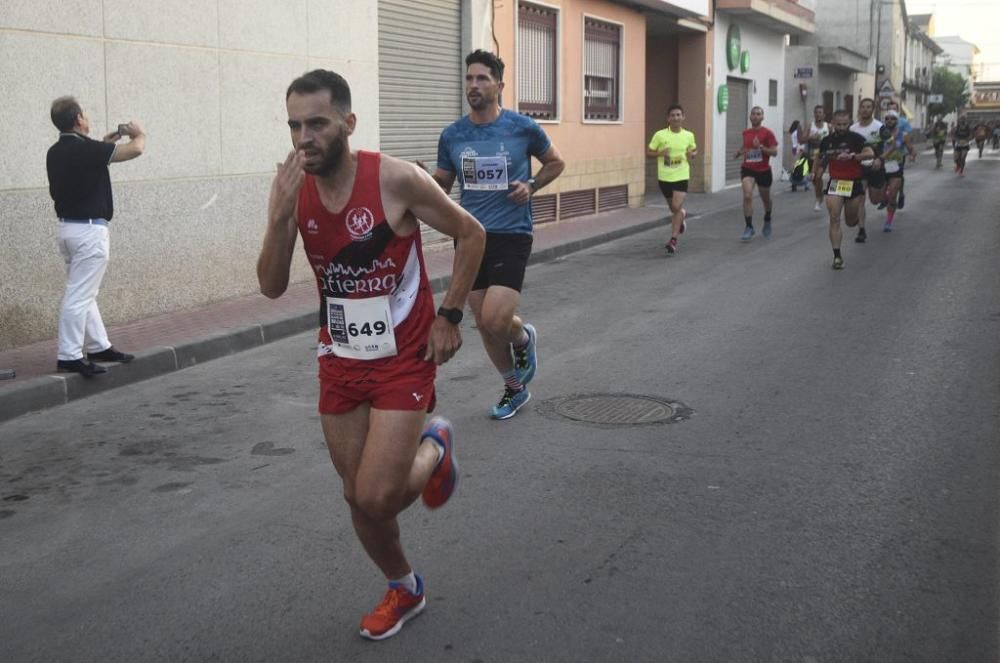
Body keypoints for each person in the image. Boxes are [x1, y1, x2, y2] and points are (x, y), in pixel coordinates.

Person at [257, 69, 486, 641]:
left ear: (347, 124)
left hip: (403, 354)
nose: (303, 137)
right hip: (339, 356)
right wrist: (279, 216)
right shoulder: (293, 189)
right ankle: (404, 587)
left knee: (377, 494)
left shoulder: (395, 178)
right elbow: (270, 286)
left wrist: (451, 314)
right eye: (294, 125)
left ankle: (434, 448)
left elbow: (472, 233)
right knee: (356, 495)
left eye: (316, 123)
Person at [429, 50, 565, 420]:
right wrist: (420, 182)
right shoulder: (453, 134)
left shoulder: (523, 127)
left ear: (499, 85)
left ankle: (523, 338)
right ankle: (514, 388)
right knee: (482, 322)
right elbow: (442, 183)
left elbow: (556, 162)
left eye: (482, 79)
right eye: (469, 78)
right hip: (470, 236)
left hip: (512, 233)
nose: (473, 85)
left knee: (495, 319)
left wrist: (532, 185)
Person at [46, 97, 144, 376]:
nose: (87, 117)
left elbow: (87, 163)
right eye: (85, 114)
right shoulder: (87, 150)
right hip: (89, 232)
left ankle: (99, 346)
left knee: (85, 291)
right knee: (79, 294)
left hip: (67, 230)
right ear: (78, 119)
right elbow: (135, 149)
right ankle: (68, 355)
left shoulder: (55, 152)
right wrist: (140, 133)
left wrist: (103, 143)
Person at [816, 109, 874, 270]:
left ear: (849, 123)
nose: (841, 127)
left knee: (850, 221)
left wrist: (854, 156)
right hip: (836, 182)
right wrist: (818, 172)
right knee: (834, 218)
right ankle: (837, 256)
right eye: (838, 124)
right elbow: (821, 159)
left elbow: (870, 153)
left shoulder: (856, 139)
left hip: (854, 183)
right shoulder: (826, 141)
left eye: (845, 124)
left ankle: (857, 223)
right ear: (832, 123)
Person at [646, 104, 697, 254]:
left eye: (678, 115)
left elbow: (693, 150)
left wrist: (692, 155)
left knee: (675, 206)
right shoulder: (660, 135)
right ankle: (681, 216)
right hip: (665, 176)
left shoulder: (689, 135)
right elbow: (649, 152)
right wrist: (660, 153)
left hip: (681, 175)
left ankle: (673, 240)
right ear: (668, 118)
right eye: (673, 115)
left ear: (683, 117)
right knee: (674, 209)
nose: (676, 117)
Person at [734, 106, 778, 241]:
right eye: (753, 114)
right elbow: (746, 146)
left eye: (758, 114)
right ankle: (749, 227)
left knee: (766, 199)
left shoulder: (768, 133)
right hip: (748, 168)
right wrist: (739, 152)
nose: (755, 116)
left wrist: (762, 147)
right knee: (747, 195)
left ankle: (767, 217)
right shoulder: (746, 133)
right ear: (750, 116)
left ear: (762, 117)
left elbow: (774, 152)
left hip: (763, 170)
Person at [849, 98, 885, 244]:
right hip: (860, 167)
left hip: (876, 167)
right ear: (859, 109)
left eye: (868, 107)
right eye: (863, 107)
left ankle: (885, 194)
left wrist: (880, 159)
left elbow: (890, 145)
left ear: (873, 109)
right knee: (860, 199)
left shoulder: (880, 127)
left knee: (875, 200)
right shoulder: (853, 129)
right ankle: (861, 230)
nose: (865, 109)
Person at [878, 111, 916, 232]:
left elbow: (911, 148)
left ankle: (888, 221)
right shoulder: (879, 134)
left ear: (897, 121)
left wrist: (912, 154)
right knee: (881, 196)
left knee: (893, 195)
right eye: (887, 119)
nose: (889, 121)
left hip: (896, 168)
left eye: (893, 119)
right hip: (882, 168)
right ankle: (885, 197)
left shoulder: (903, 135)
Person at [884, 100, 912, 209]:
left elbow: (908, 136)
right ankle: (887, 195)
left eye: (894, 108)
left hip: (900, 153)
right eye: (890, 108)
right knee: (886, 176)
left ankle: (900, 193)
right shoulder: (884, 122)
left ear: (898, 110)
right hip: (886, 155)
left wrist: (909, 148)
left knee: (898, 176)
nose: (892, 110)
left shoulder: (903, 122)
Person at [804, 105, 830, 211]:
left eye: (820, 112)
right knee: (815, 180)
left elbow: (834, 138)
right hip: (812, 155)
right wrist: (810, 137)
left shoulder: (829, 127)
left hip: (824, 155)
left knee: (818, 176)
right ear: (814, 114)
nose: (818, 114)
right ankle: (820, 196)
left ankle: (818, 200)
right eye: (816, 112)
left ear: (824, 115)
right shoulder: (810, 126)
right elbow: (802, 139)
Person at [787, 120, 809, 192]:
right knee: (803, 166)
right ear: (797, 125)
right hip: (799, 149)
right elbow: (801, 141)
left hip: (794, 149)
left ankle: (794, 184)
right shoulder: (797, 132)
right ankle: (806, 184)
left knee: (795, 167)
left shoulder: (793, 132)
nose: (800, 126)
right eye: (799, 125)